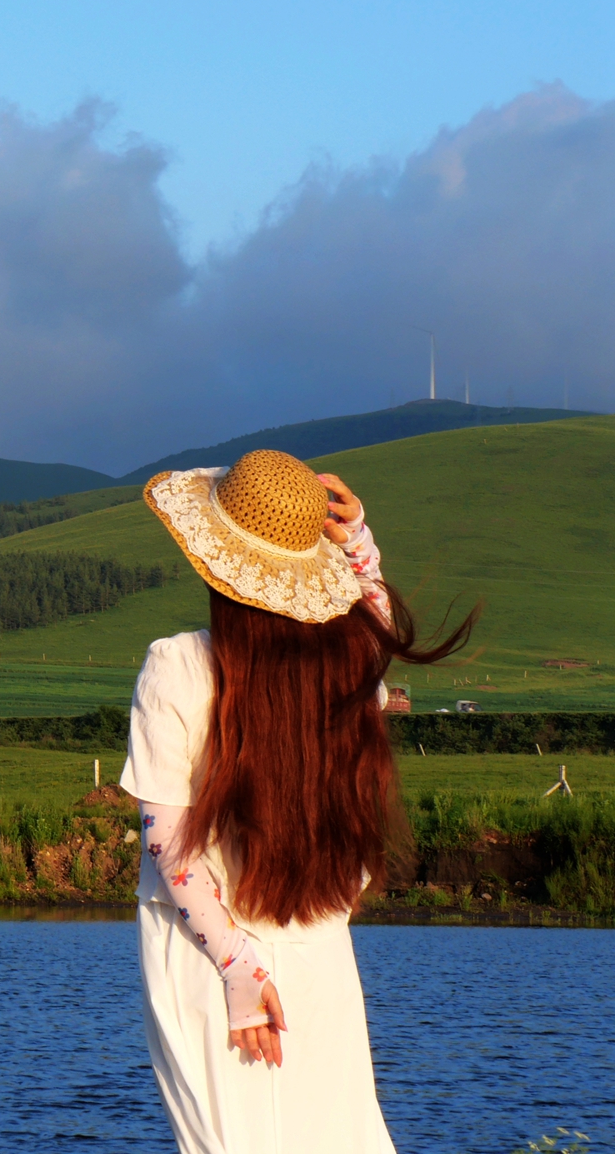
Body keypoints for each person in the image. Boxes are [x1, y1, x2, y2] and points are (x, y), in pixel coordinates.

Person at [120, 448, 474, 1153]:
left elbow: (168, 843)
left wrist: (238, 969)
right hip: (317, 948)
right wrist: (361, 553)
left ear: (217, 561)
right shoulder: (346, 677)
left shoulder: (178, 665)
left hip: (208, 954)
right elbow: (371, 639)